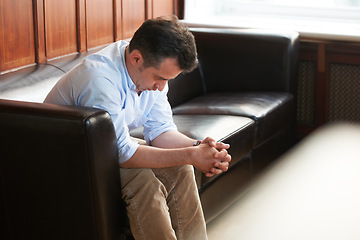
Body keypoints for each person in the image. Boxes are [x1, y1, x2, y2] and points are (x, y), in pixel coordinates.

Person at [44, 16, 231, 240]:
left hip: (102, 149)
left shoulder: (151, 75)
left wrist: (199, 148)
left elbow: (160, 131)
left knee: (182, 168)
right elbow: (123, 154)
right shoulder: (100, 79)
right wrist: (191, 154)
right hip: (65, 161)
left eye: (168, 80)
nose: (162, 87)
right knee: (142, 180)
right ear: (136, 58)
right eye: (160, 78)